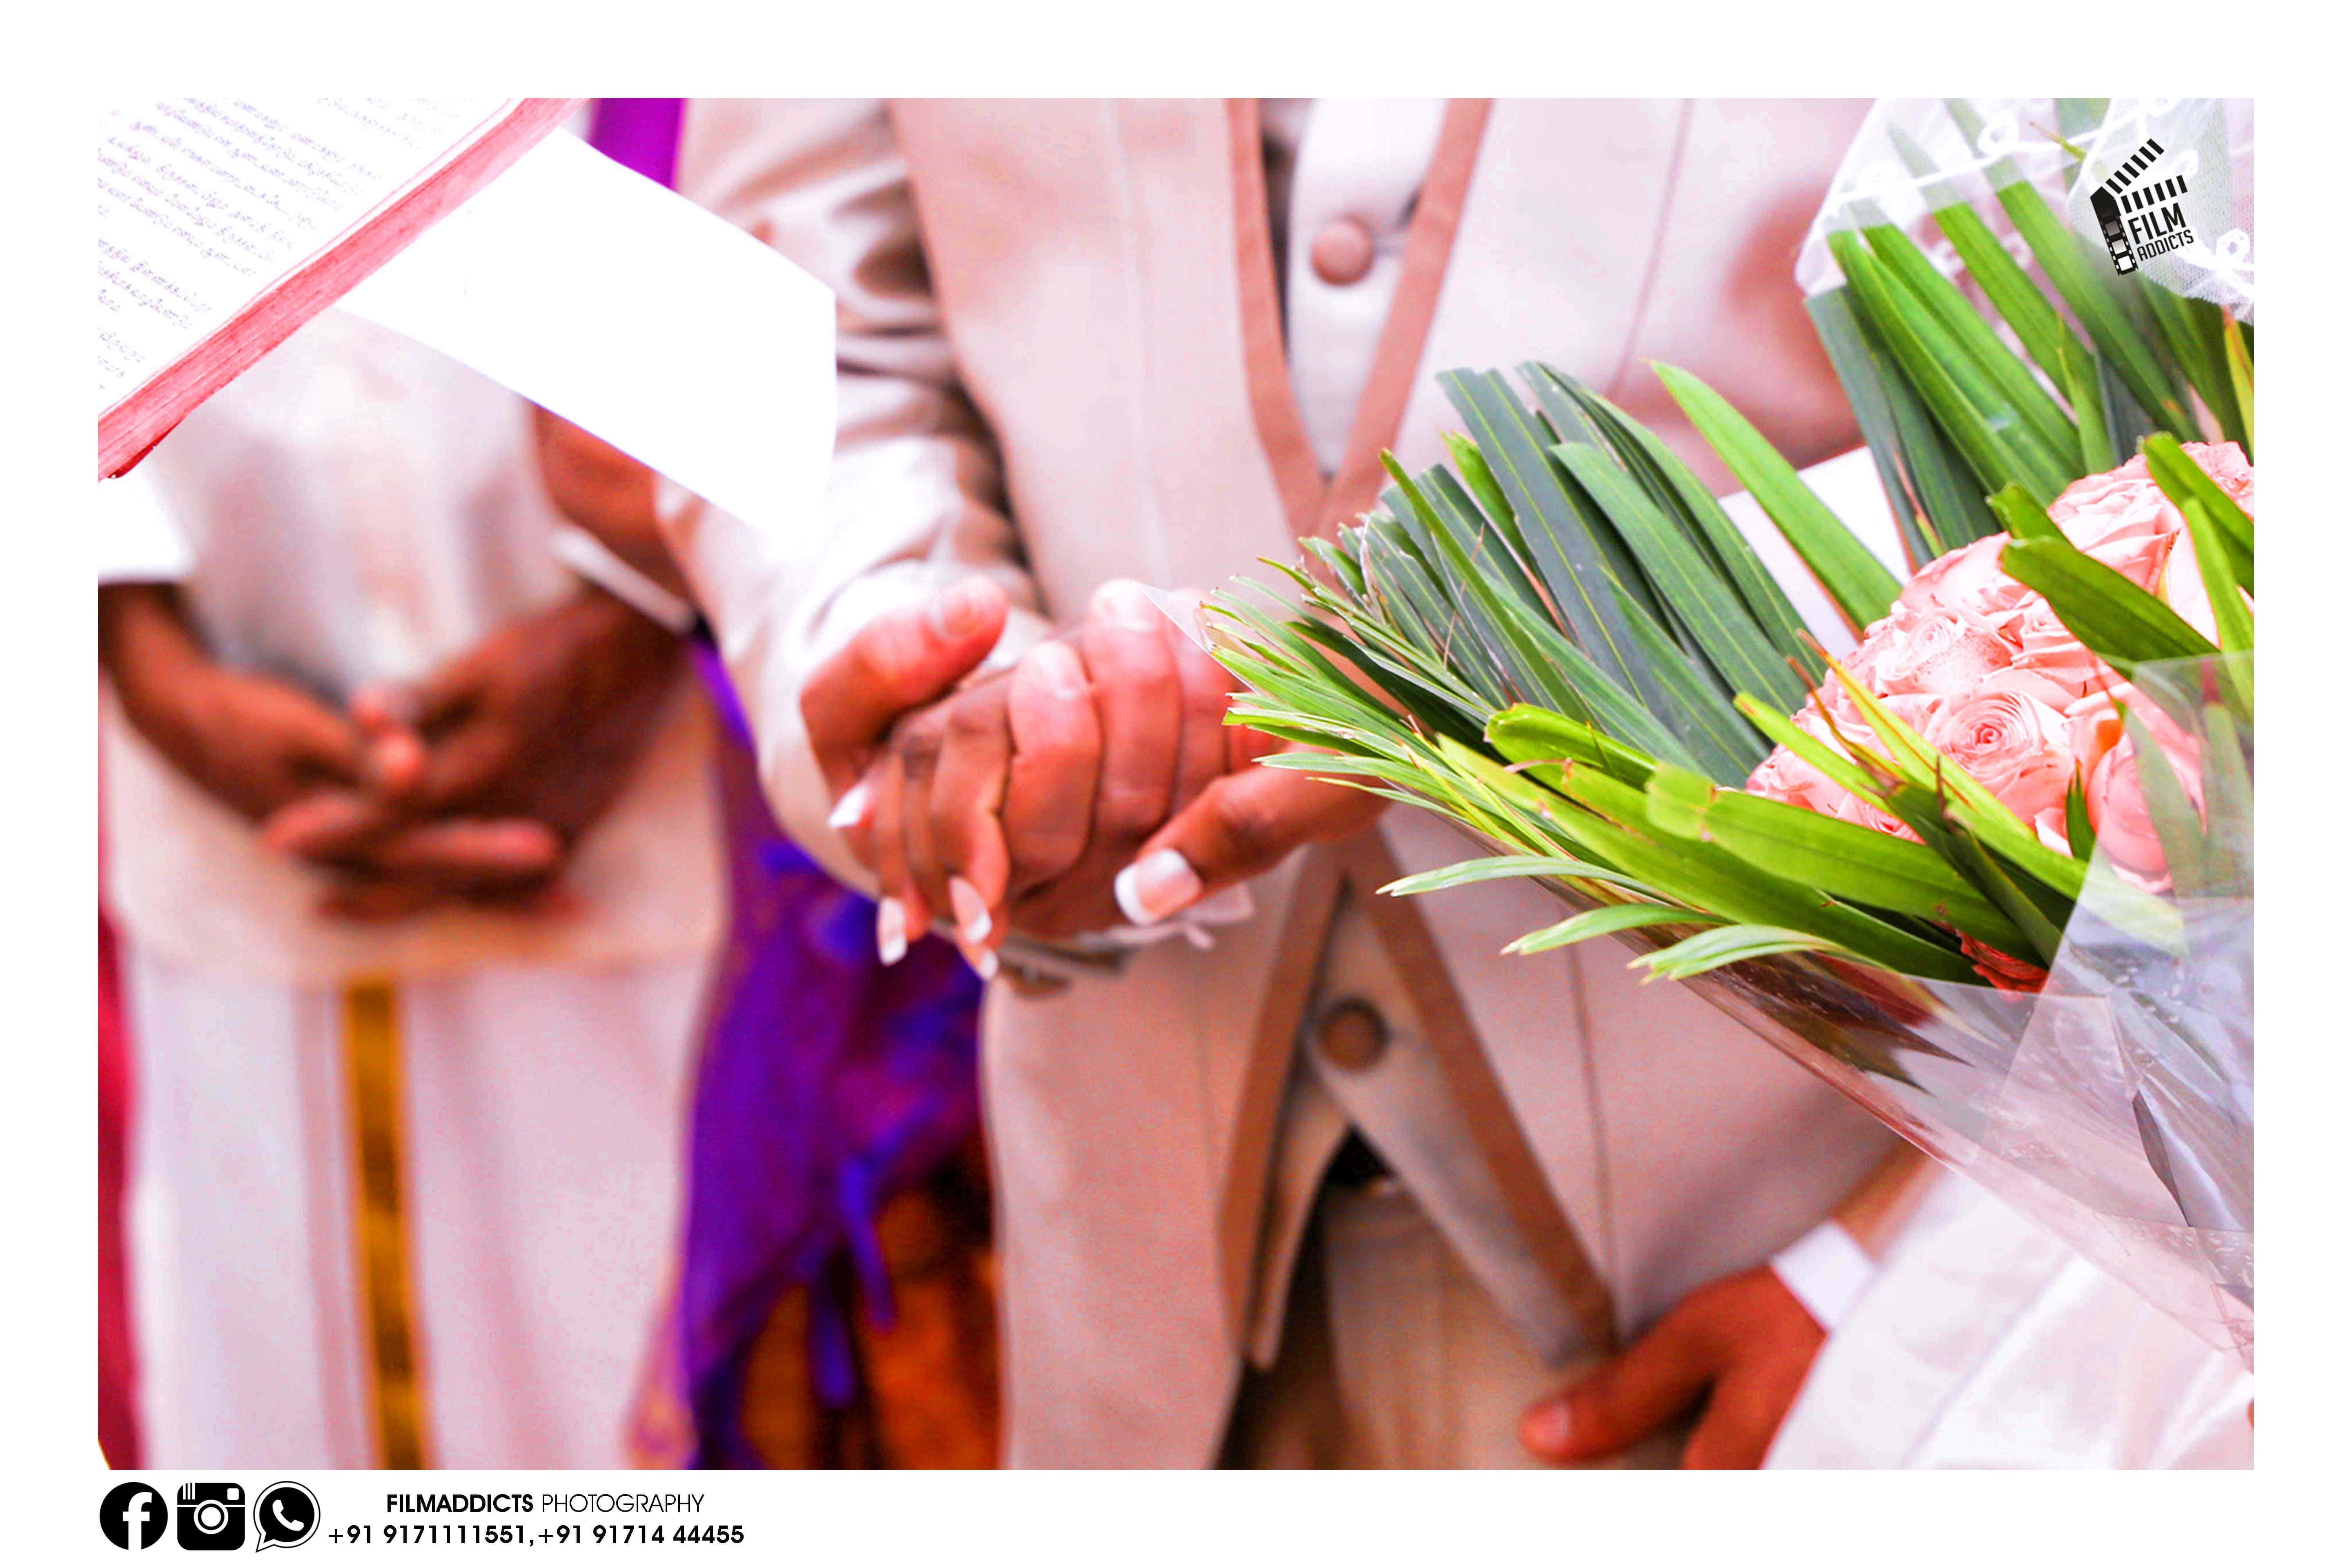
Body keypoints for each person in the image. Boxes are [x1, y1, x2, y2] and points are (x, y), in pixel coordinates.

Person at [652, 98, 1920, 1467]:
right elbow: (793, 325)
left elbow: (2129, 405)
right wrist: (937, 681)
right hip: (1144, 1272)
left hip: (1821, 1222)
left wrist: (1906, 1273)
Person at [98, 306, 719, 1468]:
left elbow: (803, 226)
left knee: (643, 1408)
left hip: (655, 763)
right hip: (212, 768)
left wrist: (647, 603)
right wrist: (123, 622)